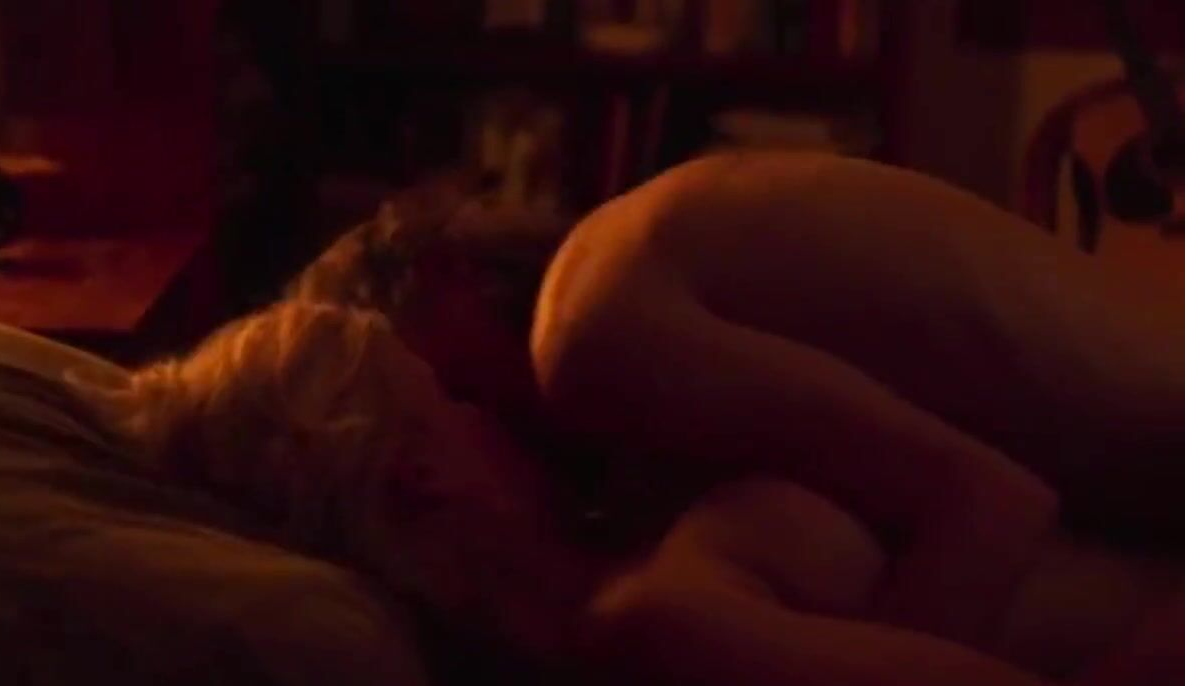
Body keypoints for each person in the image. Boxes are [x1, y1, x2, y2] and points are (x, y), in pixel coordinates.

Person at [77, 298, 1185, 685]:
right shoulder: (651, 625)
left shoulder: (644, 554)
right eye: (447, 401)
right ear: (419, 469)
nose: (488, 412)